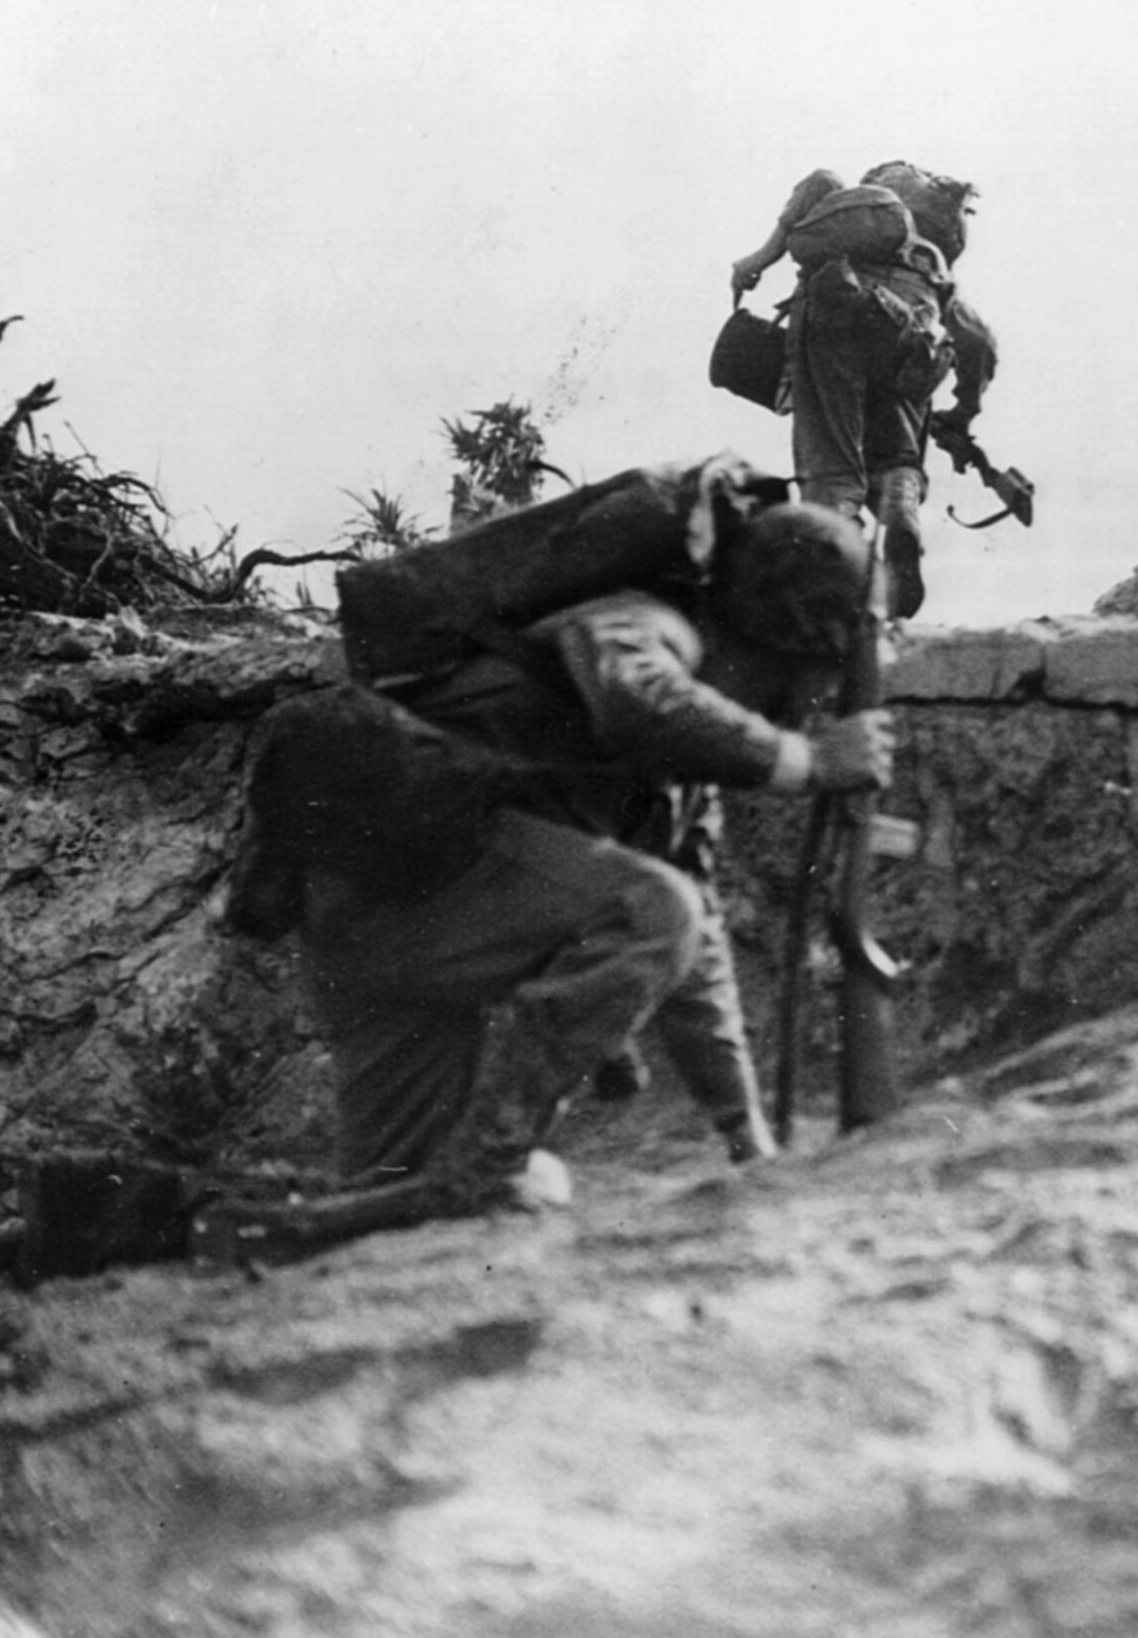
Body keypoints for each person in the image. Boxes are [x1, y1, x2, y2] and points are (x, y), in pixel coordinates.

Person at [228, 477, 894, 1213]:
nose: (790, 704)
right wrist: (803, 762)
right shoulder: (641, 622)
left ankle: (458, 1183)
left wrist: (748, 1142)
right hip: (384, 910)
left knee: (400, 1208)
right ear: (767, 631)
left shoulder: (677, 775)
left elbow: (697, 952)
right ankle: (484, 1164)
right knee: (650, 911)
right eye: (796, 679)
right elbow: (635, 699)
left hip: (395, 934)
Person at [730, 160, 998, 621]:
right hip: (912, 331)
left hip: (835, 311)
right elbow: (980, 344)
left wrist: (755, 261)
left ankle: (838, 587)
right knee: (897, 458)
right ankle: (901, 516)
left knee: (831, 464)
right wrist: (963, 412)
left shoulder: (844, 229)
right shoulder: (933, 269)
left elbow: (818, 180)